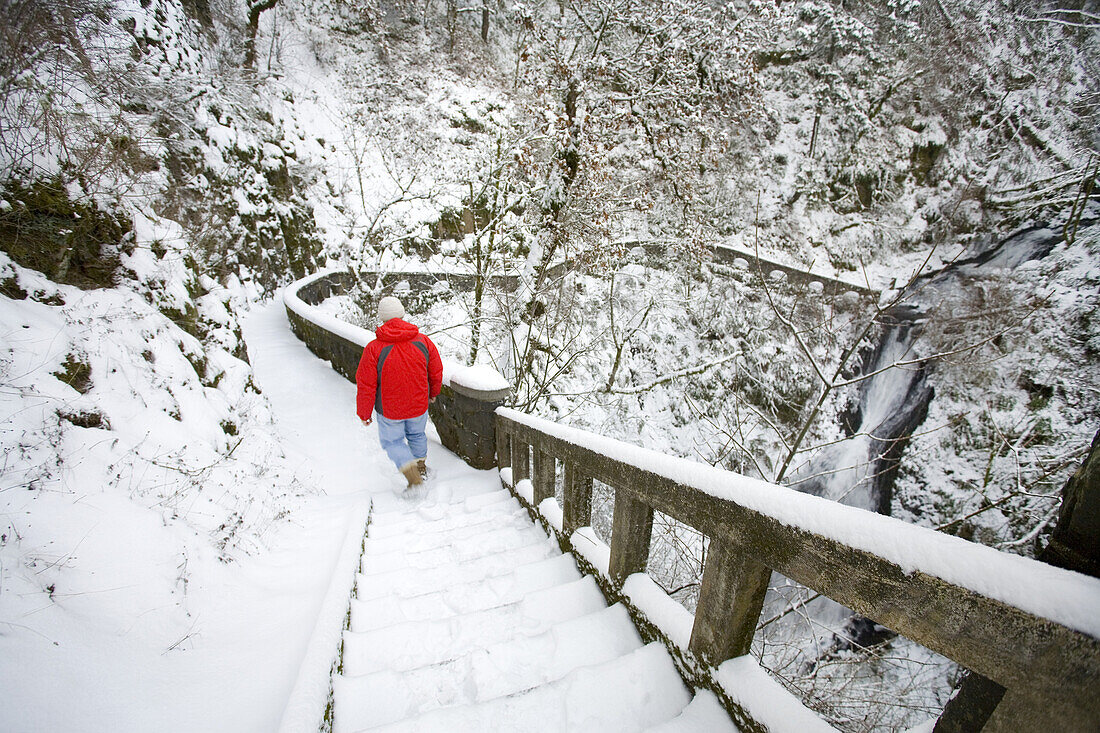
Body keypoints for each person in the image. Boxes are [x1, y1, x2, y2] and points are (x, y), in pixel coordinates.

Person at [356, 296, 443, 488]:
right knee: (417, 435)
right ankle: (420, 466)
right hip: (418, 404)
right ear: (402, 314)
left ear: (382, 317)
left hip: (390, 409)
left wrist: (364, 412)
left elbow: (366, 384)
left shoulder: (374, 348)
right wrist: (433, 392)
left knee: (393, 442)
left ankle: (412, 475)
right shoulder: (423, 342)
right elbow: (435, 371)